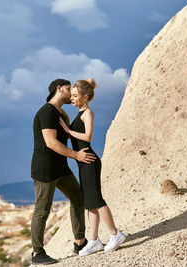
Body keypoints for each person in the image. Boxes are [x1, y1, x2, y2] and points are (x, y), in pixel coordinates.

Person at [31, 78, 96, 265]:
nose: (72, 92)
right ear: (59, 89)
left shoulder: (60, 113)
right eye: (69, 89)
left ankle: (80, 242)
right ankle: (37, 253)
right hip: (44, 170)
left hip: (60, 168)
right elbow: (51, 142)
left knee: (78, 197)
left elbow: (68, 134)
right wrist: (77, 155)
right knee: (42, 211)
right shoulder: (47, 112)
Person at [59, 78, 127, 256]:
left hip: (89, 161)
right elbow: (76, 137)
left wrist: (67, 130)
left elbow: (87, 137)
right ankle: (94, 240)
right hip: (83, 162)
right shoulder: (79, 112)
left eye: (75, 95)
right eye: (71, 95)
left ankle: (115, 234)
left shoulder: (87, 113)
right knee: (90, 202)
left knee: (96, 199)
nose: (71, 98)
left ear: (85, 96)